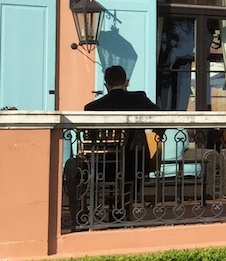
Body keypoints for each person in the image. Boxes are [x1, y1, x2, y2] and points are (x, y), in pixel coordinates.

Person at [63, 65, 160, 217]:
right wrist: (156, 135)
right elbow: (161, 118)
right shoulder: (138, 99)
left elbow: (89, 136)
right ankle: (123, 206)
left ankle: (84, 210)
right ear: (126, 82)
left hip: (99, 166)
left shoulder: (92, 107)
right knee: (140, 150)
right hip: (132, 165)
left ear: (106, 85)